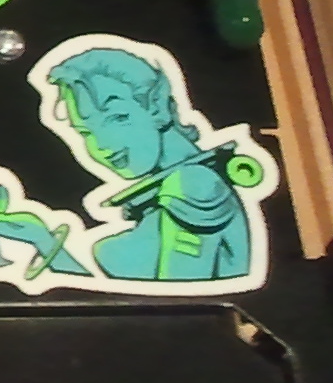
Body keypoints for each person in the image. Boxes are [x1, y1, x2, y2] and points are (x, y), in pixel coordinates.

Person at [48, 47, 252, 282]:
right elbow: (146, 294)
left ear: (157, 106)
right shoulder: (170, 189)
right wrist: (43, 242)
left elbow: (179, 297)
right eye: (86, 132)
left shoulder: (194, 186)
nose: (102, 145)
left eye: (117, 118)